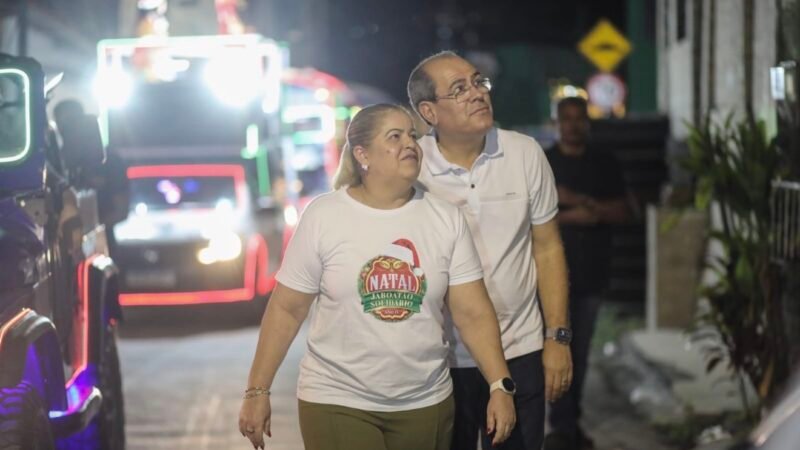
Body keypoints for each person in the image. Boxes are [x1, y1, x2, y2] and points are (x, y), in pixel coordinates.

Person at [239, 104, 517, 450]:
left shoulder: (445, 218)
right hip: (337, 400)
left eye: (412, 135)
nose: (410, 144)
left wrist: (499, 385)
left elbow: (472, 313)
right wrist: (257, 390)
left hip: (425, 402)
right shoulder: (325, 217)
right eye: (395, 136)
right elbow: (286, 309)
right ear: (362, 154)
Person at [408, 51, 573, 450]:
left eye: (479, 82)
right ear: (429, 111)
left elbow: (548, 249)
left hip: (520, 348)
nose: (477, 94)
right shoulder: (414, 168)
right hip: (442, 360)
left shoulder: (523, 153)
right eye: (459, 89)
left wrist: (558, 338)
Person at [543, 96, 631, 450]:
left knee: (577, 354)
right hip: (548, 279)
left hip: (591, 274)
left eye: (579, 118)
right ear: (556, 122)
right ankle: (560, 428)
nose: (573, 125)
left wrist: (579, 201)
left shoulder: (603, 162)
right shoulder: (545, 162)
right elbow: (528, 216)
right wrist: (573, 215)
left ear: (587, 122)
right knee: (549, 351)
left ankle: (568, 427)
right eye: (567, 118)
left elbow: (624, 211)